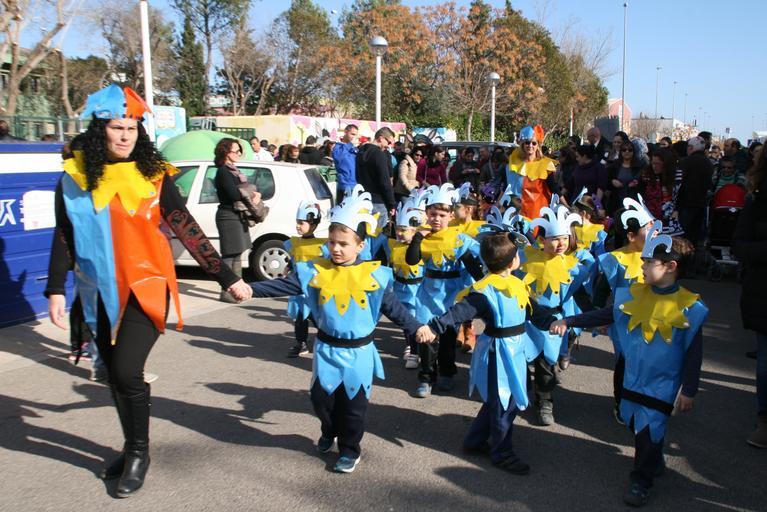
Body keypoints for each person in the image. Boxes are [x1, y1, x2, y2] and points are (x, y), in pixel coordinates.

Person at [44, 84, 251, 498]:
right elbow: (65, 234)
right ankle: (130, 446)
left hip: (145, 287)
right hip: (97, 293)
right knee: (114, 376)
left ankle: (139, 452)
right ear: (99, 130)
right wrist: (55, 288)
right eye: (117, 128)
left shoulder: (154, 177)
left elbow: (184, 225)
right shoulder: (73, 178)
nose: (125, 136)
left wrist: (227, 278)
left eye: (132, 128)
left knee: (126, 371)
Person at [247, 189, 433, 473]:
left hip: (359, 354)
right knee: (321, 401)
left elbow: (395, 310)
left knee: (353, 407)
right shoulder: (315, 271)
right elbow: (282, 286)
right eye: (332, 242)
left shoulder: (374, 276)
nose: (335, 248)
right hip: (326, 351)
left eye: (343, 244)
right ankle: (329, 429)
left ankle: (349, 449)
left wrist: (417, 327)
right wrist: (250, 289)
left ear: (360, 246)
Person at [550, 228, 707, 507]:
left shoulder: (690, 308)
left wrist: (689, 390)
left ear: (671, 267)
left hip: (662, 383)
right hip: (633, 377)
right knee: (636, 423)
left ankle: (641, 480)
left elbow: (694, 353)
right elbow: (605, 314)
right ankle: (653, 457)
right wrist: (569, 321)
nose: (642, 266)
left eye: (649, 262)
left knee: (649, 426)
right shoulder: (634, 295)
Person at [424, 220, 555, 475]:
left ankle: (475, 440)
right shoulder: (484, 291)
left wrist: (556, 322)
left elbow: (533, 312)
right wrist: (435, 326)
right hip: (498, 352)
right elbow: (460, 311)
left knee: (504, 398)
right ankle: (502, 453)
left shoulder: (517, 285)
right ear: (513, 261)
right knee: (503, 401)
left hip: (515, 349)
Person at [517, 198, 594, 425]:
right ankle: (520, 394)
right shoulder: (526, 259)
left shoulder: (572, 266)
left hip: (553, 321)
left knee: (546, 363)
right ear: (542, 240)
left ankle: (545, 401)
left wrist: (594, 317)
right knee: (523, 359)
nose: (560, 244)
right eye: (554, 239)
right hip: (527, 319)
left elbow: (579, 293)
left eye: (564, 238)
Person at [406, 183, 483, 397]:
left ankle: (447, 372)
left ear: (451, 215)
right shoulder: (424, 237)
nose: (436, 219)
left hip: (451, 293)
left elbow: (473, 265)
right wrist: (418, 239)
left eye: (441, 215)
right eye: (432, 214)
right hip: (428, 293)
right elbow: (411, 260)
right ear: (426, 214)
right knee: (427, 338)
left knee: (448, 337)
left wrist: (482, 282)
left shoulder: (458, 239)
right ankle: (426, 377)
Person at [593, 197, 655, 423]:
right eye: (648, 227)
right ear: (631, 236)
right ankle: (621, 401)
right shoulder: (616, 259)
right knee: (625, 361)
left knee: (646, 362)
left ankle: (643, 400)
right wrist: (600, 317)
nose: (655, 231)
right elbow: (601, 290)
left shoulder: (657, 256)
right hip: (624, 322)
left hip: (651, 320)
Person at [733, 148, 767, 448]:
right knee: (765, 362)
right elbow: (739, 245)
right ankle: (764, 420)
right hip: (763, 290)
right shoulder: (756, 200)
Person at [213, 138, 264, 303]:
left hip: (237, 215)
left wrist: (248, 192)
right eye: (236, 151)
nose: (239, 154)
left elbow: (241, 191)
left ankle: (237, 290)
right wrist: (251, 193)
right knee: (229, 254)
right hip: (228, 216)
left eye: (239, 151)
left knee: (237, 253)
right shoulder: (223, 171)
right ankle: (227, 291)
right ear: (226, 152)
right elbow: (234, 194)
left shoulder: (234, 170)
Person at [284, 201, 327, 358]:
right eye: (297, 222)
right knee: (300, 316)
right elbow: (294, 259)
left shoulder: (322, 245)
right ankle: (301, 343)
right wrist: (289, 267)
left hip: (314, 288)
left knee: (317, 316)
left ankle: (326, 339)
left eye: (301, 223)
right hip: (298, 288)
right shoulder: (295, 243)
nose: (298, 226)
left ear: (313, 225)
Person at [389, 196, 426, 369]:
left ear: (414, 231)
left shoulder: (422, 247)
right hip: (400, 287)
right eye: (398, 229)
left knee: (416, 319)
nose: (399, 233)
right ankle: (411, 345)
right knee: (405, 320)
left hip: (417, 289)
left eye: (403, 230)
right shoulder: (393, 245)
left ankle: (416, 351)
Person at [504, 125, 557, 219]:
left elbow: (554, 188)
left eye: (534, 143)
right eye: (527, 143)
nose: (530, 146)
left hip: (538, 213)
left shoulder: (546, 165)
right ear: (522, 144)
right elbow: (506, 187)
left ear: (538, 145)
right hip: (518, 211)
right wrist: (498, 203)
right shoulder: (514, 164)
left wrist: (565, 205)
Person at [355, 127, 397, 230]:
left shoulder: (360, 151)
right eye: (389, 142)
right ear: (381, 138)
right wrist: (391, 203)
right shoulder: (379, 154)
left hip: (362, 199)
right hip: (378, 201)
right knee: (376, 234)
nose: (388, 146)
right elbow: (385, 181)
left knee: (362, 234)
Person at [677, 136, 714, 250]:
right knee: (695, 235)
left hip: (686, 203)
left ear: (691, 147)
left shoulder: (686, 162)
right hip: (701, 203)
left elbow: (679, 183)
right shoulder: (709, 163)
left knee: (683, 235)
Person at [641, 148, 684, 236]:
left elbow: (683, 194)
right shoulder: (646, 175)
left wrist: (677, 210)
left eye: (658, 164)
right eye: (653, 163)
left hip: (670, 219)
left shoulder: (677, 176)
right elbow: (641, 194)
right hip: (650, 218)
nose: (654, 166)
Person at [564, 144, 608, 209]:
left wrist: (598, 206)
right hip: (575, 204)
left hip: (590, 205)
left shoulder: (599, 168)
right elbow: (568, 185)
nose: (576, 159)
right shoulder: (577, 168)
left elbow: (600, 189)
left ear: (584, 156)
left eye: (577, 157)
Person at [606, 141, 641, 215]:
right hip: (616, 200)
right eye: (624, 150)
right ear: (621, 152)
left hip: (633, 200)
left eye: (630, 150)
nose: (627, 152)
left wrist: (637, 182)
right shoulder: (614, 165)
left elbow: (643, 181)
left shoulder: (639, 165)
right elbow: (607, 179)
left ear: (633, 152)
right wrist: (612, 181)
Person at [332, 124, 359, 204]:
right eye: (352, 134)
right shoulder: (338, 147)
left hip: (355, 184)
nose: (354, 137)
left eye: (355, 135)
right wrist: (350, 145)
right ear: (346, 132)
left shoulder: (353, 148)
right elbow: (340, 158)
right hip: (345, 185)